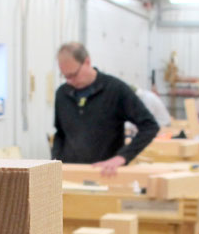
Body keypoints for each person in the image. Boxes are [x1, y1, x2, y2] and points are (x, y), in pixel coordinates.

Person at [52, 43, 159, 175]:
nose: (70, 81)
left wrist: (122, 157)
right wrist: (55, 162)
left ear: (87, 62)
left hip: (105, 175)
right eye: (65, 76)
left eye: (73, 75)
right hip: (70, 173)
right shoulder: (62, 94)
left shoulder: (115, 90)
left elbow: (150, 126)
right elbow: (60, 134)